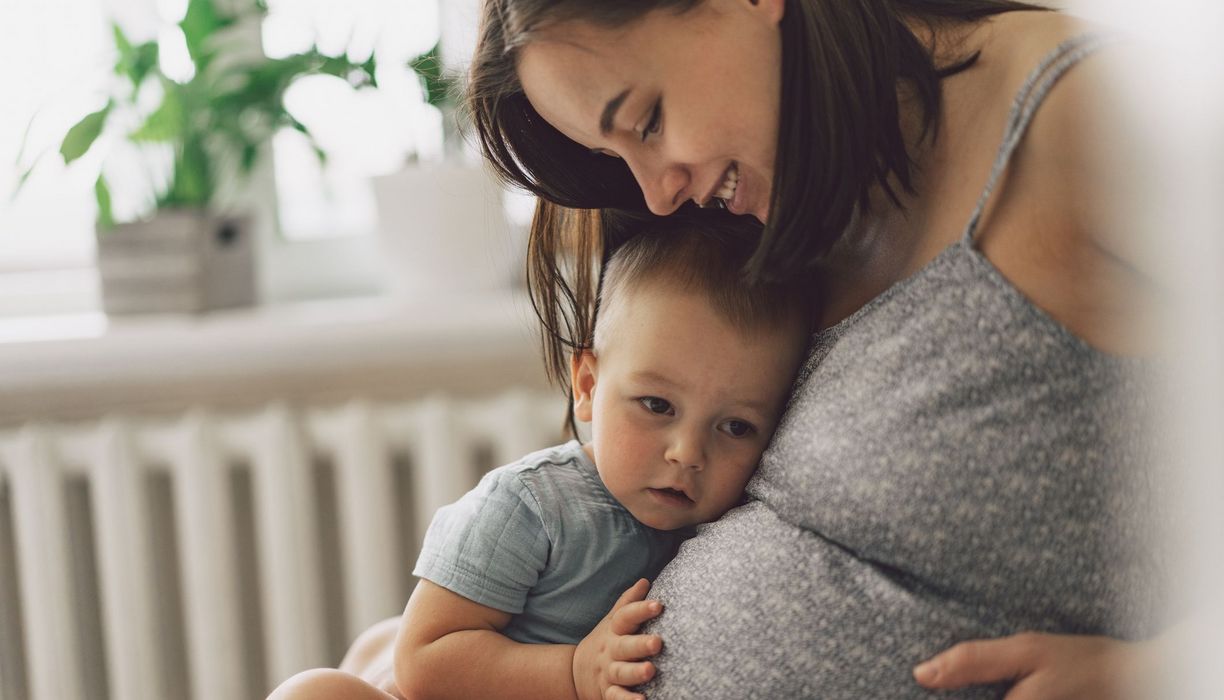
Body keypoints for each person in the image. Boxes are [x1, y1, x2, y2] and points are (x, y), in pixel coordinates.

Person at [454, 0, 1165, 697]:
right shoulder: (776, 196)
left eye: (649, 120)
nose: (657, 196)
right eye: (615, 154)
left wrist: (1157, 671)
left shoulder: (1090, 115)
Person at [267, 216, 815, 700]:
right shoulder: (532, 505)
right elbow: (424, 661)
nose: (688, 453)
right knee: (315, 692)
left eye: (736, 427)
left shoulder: (733, 523)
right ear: (587, 384)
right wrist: (573, 672)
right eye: (656, 404)